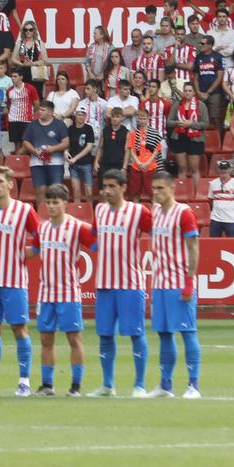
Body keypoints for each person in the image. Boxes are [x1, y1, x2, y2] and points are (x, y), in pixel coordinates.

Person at [0, 167, 39, 396]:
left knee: (19, 329)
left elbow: (40, 238)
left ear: (11, 184)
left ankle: (24, 382)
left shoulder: (24, 211)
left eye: (1, 181)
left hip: (14, 281)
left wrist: (25, 254)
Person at [90, 170, 153, 397]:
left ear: (123, 188)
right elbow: (94, 237)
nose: (107, 191)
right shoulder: (99, 210)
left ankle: (139, 385)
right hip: (105, 283)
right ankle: (108, 385)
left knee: (136, 334)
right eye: (105, 186)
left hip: (130, 284)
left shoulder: (138, 212)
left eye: (112, 186)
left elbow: (159, 233)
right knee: (105, 334)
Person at [32, 183, 95, 396]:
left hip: (69, 293)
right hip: (46, 293)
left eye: (55, 202)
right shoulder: (42, 228)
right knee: (46, 339)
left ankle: (75, 386)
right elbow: (33, 251)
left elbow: (98, 247)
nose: (51, 206)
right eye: (48, 202)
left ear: (65, 204)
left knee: (73, 339)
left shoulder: (78, 227)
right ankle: (47, 385)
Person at [148, 172, 203, 399]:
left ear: (172, 189)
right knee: (163, 333)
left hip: (179, 283)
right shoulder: (156, 213)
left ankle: (193, 386)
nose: (156, 193)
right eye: (154, 188)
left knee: (187, 332)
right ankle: (165, 385)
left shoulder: (184, 213)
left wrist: (189, 280)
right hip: (160, 282)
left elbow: (194, 247)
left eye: (160, 188)